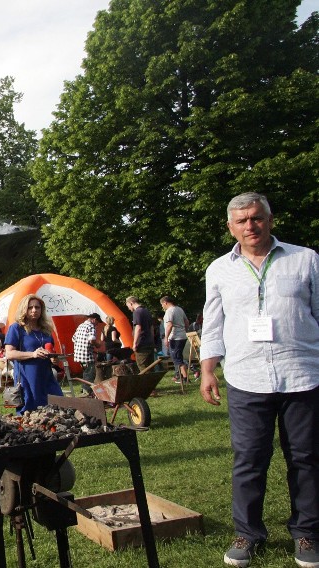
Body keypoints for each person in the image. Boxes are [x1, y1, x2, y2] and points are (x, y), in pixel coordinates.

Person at [200, 192, 319, 568]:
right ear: (230, 227)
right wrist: (207, 369)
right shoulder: (219, 269)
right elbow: (214, 323)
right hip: (246, 378)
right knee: (250, 459)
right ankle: (247, 533)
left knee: (307, 459)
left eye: (257, 218)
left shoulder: (306, 259)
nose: (250, 226)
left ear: (270, 219)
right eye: (242, 220)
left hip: (303, 376)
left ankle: (307, 534)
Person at [4, 295, 63, 411]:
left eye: (37, 307)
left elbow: (51, 350)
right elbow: (9, 354)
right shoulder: (16, 328)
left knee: (58, 406)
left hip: (46, 376)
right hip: (27, 377)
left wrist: (53, 359)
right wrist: (33, 354)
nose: (34, 310)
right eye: (30, 307)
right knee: (31, 412)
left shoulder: (46, 329)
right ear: (23, 309)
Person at [160, 295, 191, 383]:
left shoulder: (170, 311)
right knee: (178, 356)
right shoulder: (179, 309)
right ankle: (181, 375)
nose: (162, 306)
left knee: (176, 357)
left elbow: (169, 325)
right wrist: (185, 330)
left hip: (175, 337)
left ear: (165, 302)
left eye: (162, 304)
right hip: (182, 336)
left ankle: (185, 378)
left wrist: (166, 338)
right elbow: (186, 321)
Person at [125, 296, 156, 372]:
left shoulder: (137, 312)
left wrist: (135, 343)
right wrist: (152, 340)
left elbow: (138, 327)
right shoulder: (146, 311)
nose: (128, 308)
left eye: (128, 306)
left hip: (141, 343)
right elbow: (151, 327)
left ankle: (146, 383)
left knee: (142, 366)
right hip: (149, 342)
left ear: (131, 303)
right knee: (150, 366)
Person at [72, 313, 102, 385]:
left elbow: (73, 339)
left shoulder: (80, 326)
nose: (97, 324)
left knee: (85, 372)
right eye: (97, 322)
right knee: (90, 373)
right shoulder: (91, 326)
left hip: (78, 354)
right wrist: (98, 345)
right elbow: (91, 339)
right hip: (87, 354)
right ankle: (87, 390)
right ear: (94, 320)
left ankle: (84, 388)